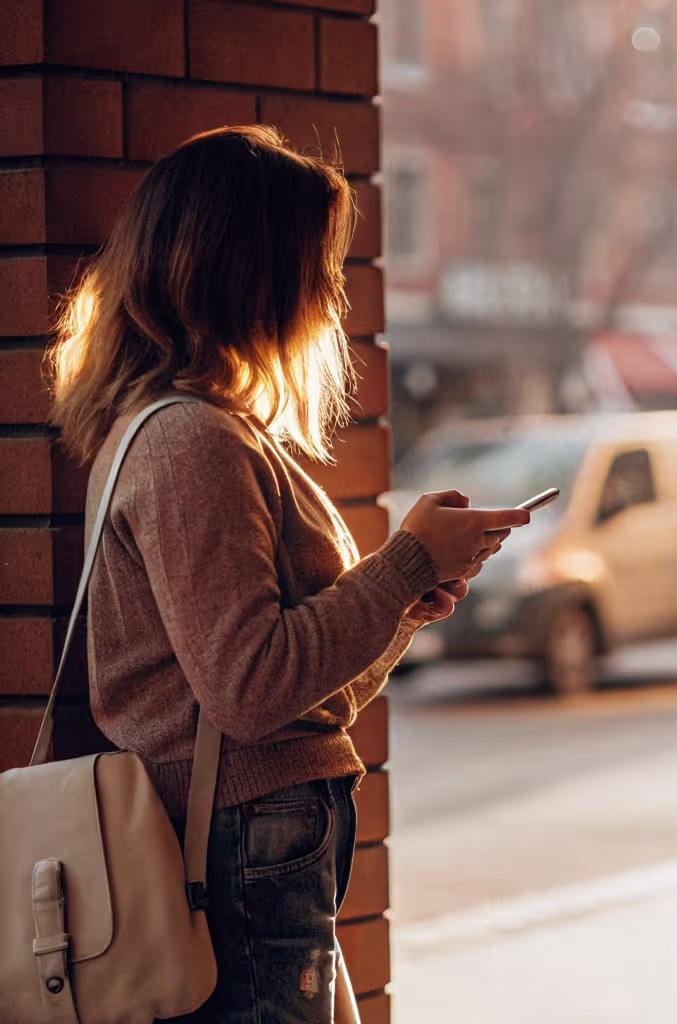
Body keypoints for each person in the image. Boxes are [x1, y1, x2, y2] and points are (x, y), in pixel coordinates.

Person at [46, 125, 530, 1023]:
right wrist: (405, 562)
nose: (328, 295)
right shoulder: (191, 439)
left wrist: (403, 608)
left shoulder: (194, 430)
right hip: (239, 845)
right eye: (316, 267)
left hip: (245, 838)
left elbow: (299, 697)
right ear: (249, 271)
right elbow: (250, 692)